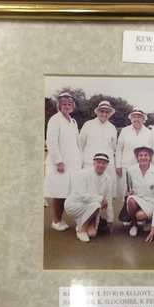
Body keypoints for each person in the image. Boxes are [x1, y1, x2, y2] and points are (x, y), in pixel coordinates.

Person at [44, 92, 83, 231]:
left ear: (72, 106)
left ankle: (70, 220)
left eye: (69, 104)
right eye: (64, 104)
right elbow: (52, 142)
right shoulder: (55, 120)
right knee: (59, 194)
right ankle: (56, 221)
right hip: (60, 165)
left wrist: (80, 160)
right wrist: (59, 162)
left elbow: (76, 143)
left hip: (74, 164)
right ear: (59, 106)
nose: (67, 106)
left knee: (72, 193)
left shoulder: (73, 121)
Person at [64, 152, 114, 242]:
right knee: (96, 204)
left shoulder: (108, 179)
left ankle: (81, 223)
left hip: (91, 207)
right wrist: (101, 198)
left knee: (92, 234)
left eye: (104, 163)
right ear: (93, 163)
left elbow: (109, 200)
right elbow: (82, 195)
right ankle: (81, 231)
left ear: (107, 165)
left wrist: (110, 220)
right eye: (98, 162)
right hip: (74, 205)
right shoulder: (83, 174)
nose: (101, 165)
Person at [80, 100, 117, 196]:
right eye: (102, 111)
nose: (104, 114)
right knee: (89, 193)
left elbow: (113, 146)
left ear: (110, 113)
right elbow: (81, 145)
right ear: (97, 112)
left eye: (107, 112)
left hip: (107, 166)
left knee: (105, 194)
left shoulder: (112, 128)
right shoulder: (88, 125)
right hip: (89, 164)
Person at [116, 108, 152, 201]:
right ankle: (126, 214)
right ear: (131, 119)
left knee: (140, 193)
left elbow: (151, 151)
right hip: (126, 167)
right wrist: (118, 166)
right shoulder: (125, 131)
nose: (136, 119)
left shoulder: (149, 133)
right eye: (134, 117)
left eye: (139, 117)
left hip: (142, 169)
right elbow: (119, 149)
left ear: (144, 119)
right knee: (126, 192)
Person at [126, 145, 154, 237]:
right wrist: (128, 193)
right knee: (131, 200)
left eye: (146, 155)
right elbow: (129, 187)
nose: (143, 157)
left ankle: (149, 220)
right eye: (141, 155)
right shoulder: (130, 170)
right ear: (137, 157)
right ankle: (133, 224)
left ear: (150, 157)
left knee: (140, 216)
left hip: (151, 200)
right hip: (137, 198)